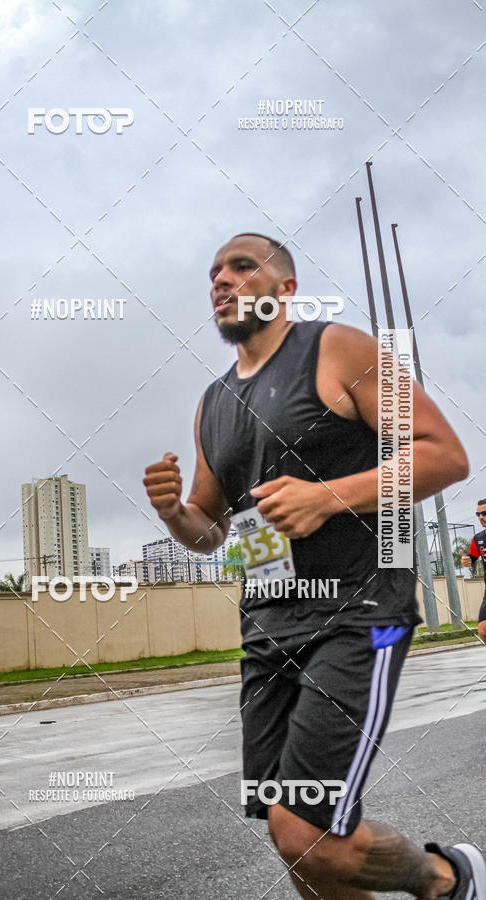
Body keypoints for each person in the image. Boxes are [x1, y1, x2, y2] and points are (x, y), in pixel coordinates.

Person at [143, 233, 485, 899]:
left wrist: (328, 497)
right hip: (268, 628)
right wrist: (172, 514)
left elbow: (445, 455)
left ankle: (450, 878)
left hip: (361, 615)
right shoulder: (213, 403)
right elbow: (210, 531)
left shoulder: (338, 349)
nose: (223, 280)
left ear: (285, 289)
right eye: (214, 272)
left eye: (243, 267)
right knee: (292, 838)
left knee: (308, 830)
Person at [461, 499, 486, 643]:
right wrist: (467, 560)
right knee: (483, 630)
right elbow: (472, 558)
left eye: (484, 513)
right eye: (478, 514)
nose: (481, 517)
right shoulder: (478, 539)